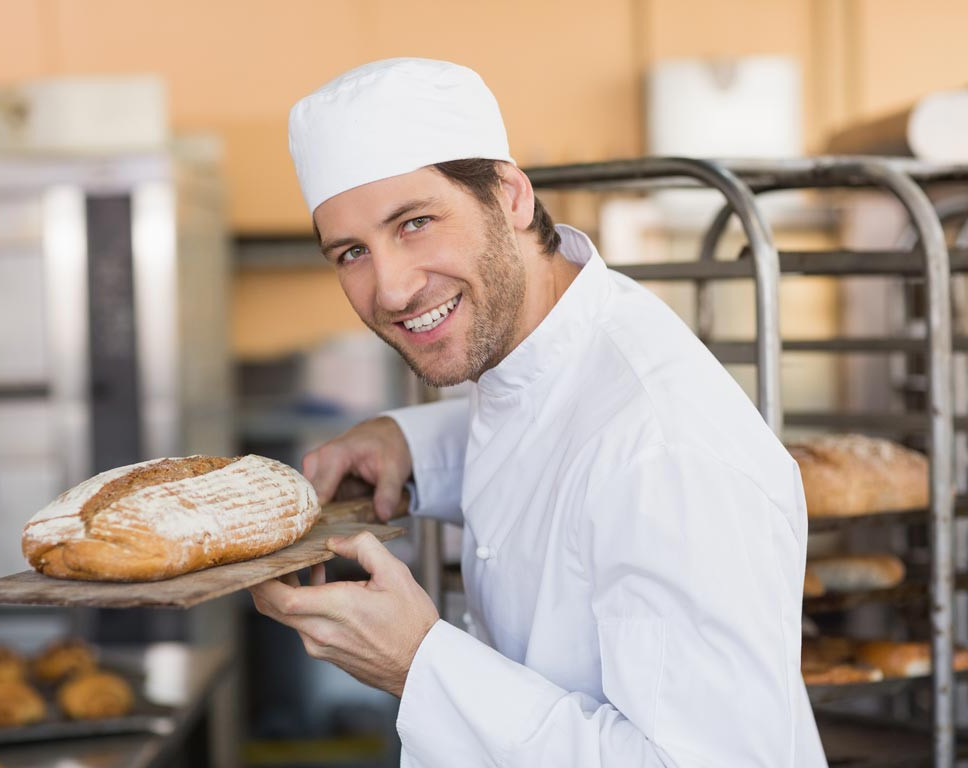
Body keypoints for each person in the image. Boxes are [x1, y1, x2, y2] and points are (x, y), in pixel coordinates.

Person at [249, 57, 826, 767]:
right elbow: (547, 436)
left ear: (511, 195)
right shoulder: (546, 359)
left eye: (416, 222)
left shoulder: (667, 447)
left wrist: (419, 665)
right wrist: (407, 441)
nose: (391, 288)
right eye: (351, 252)